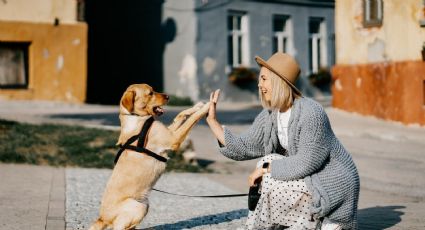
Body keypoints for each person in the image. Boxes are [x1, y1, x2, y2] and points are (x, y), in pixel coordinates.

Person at [206, 52, 359, 229]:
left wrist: (265, 171)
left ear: (279, 81)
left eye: (263, 79)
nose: (259, 84)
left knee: (267, 168)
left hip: (331, 181)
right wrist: (212, 121)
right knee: (267, 163)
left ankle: (325, 220)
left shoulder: (312, 113)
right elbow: (244, 146)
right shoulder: (271, 114)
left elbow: (307, 162)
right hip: (308, 178)